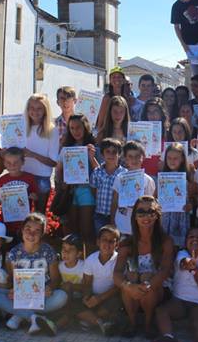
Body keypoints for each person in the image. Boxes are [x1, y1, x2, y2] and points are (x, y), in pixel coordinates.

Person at [0, 212, 67, 335]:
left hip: (42, 297)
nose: (31, 234)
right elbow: (11, 281)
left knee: (61, 296)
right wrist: (12, 289)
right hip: (21, 297)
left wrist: (49, 288)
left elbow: (56, 279)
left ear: (42, 234)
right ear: (22, 230)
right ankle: (34, 318)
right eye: (28, 229)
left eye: (37, 231)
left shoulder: (48, 251)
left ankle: (20, 316)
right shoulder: (14, 253)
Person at [150, 227, 198, 342]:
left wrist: (195, 270)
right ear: (186, 241)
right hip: (179, 300)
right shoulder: (181, 254)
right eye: (191, 237)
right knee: (161, 311)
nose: (194, 240)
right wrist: (189, 264)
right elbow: (183, 263)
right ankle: (168, 338)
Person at [114, 196, 175, 338]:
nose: (146, 217)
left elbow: (165, 271)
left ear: (157, 216)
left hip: (158, 288)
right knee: (131, 277)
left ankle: (148, 323)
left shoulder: (165, 241)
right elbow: (116, 273)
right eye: (141, 212)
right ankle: (132, 322)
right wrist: (128, 286)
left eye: (151, 212)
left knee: (147, 277)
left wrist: (148, 285)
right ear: (134, 216)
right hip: (134, 288)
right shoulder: (127, 244)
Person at [54, 114, 98, 245]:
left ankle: (86, 258)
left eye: (78, 127)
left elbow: (100, 171)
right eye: (72, 128)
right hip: (70, 191)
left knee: (86, 229)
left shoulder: (94, 147)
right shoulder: (66, 149)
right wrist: (62, 184)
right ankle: (72, 259)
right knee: (71, 229)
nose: (75, 131)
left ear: (85, 128)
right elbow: (58, 170)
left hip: (87, 191)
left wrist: (92, 157)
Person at [78, 225, 122, 335]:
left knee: (115, 304)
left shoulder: (119, 260)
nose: (107, 244)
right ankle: (99, 322)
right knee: (73, 304)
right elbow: (87, 283)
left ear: (117, 244)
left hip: (110, 297)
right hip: (93, 296)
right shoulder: (91, 260)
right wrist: (87, 297)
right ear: (98, 242)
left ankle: (90, 320)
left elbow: (119, 287)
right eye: (104, 240)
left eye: (111, 241)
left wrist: (100, 298)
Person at [23, 94, 61, 215]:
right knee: (21, 216)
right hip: (22, 176)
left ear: (45, 110)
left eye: (39, 108)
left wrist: (32, 154)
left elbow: (53, 162)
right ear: (27, 109)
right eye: (32, 108)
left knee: (39, 217)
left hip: (41, 179)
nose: (35, 111)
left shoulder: (52, 130)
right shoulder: (21, 128)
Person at [111, 141, 156, 237]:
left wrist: (139, 206)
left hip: (140, 227)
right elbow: (114, 202)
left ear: (142, 157)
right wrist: (112, 223)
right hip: (122, 225)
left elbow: (152, 204)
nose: (134, 159)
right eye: (130, 156)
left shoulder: (148, 180)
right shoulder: (120, 177)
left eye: (137, 156)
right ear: (126, 159)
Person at [0, 147, 38, 238]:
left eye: (16, 162)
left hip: (24, 222)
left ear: (23, 162)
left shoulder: (30, 178)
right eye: (8, 163)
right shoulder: (2, 180)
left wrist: (34, 197)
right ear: (4, 163)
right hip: (7, 222)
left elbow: (37, 197)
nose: (12, 165)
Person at [159, 142, 194, 247]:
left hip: (182, 218)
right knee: (165, 246)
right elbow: (155, 198)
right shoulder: (161, 177)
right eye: (169, 158)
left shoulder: (188, 177)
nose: (172, 161)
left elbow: (194, 199)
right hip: (165, 218)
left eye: (175, 158)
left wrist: (190, 205)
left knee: (180, 246)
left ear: (182, 159)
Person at [91, 138, 124, 234]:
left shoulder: (123, 174)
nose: (111, 155)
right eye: (108, 152)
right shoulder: (97, 171)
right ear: (102, 154)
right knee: (101, 237)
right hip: (100, 213)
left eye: (114, 152)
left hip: (117, 214)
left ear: (119, 154)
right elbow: (94, 190)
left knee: (115, 237)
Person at [56, 234, 86, 329]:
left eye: (71, 249)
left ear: (78, 254)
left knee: (68, 286)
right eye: (63, 248)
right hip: (64, 298)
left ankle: (61, 322)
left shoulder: (84, 266)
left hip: (80, 298)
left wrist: (71, 286)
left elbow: (87, 286)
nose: (65, 252)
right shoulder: (59, 266)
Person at [97, 67, 134, 132]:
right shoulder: (107, 98)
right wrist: (100, 133)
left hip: (123, 133)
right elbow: (101, 120)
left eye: (119, 77)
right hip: (109, 132)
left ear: (123, 80)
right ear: (110, 81)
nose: (116, 79)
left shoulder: (127, 98)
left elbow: (128, 118)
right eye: (114, 77)